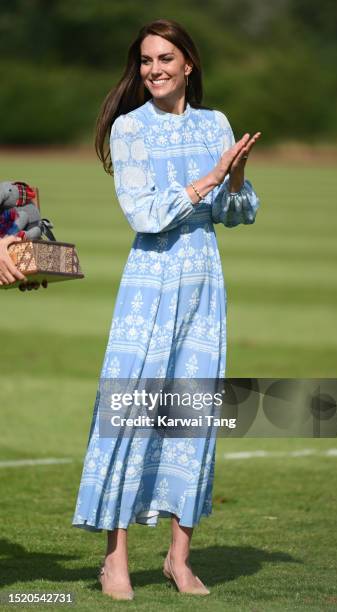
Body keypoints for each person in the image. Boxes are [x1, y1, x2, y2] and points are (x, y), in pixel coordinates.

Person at [72, 18, 261, 601]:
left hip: (204, 285)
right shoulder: (130, 129)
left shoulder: (216, 123)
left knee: (193, 418)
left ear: (189, 65)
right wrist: (209, 178)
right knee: (130, 414)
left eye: (165, 59)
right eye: (146, 60)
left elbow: (239, 214)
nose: (153, 69)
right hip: (150, 285)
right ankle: (115, 560)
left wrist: (236, 177)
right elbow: (145, 215)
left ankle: (179, 559)